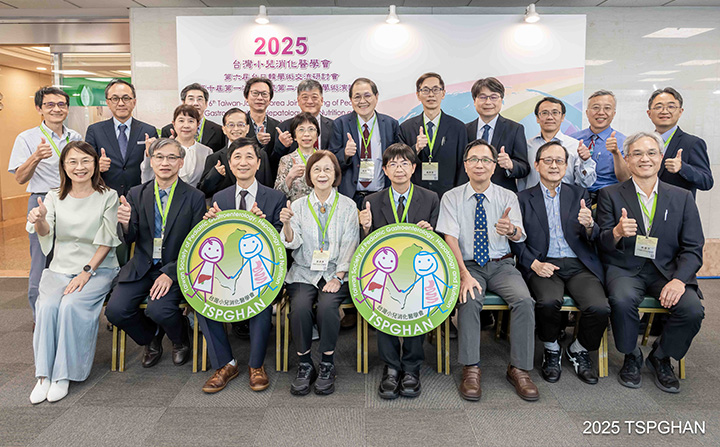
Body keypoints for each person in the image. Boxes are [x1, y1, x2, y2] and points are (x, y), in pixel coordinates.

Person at [596, 132, 704, 394]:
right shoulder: (609, 194)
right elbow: (601, 242)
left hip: (667, 271)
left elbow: (693, 248)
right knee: (622, 300)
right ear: (627, 159)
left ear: (661, 157)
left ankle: (661, 356)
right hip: (625, 268)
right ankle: (631, 355)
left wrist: (679, 281)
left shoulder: (682, 197)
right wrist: (616, 233)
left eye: (651, 153)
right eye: (637, 153)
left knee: (692, 309)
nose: (645, 158)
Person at [437, 139, 538, 402]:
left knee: (524, 301)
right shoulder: (451, 197)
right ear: (465, 165)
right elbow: (450, 239)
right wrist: (463, 274)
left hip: (502, 264)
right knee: (469, 300)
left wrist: (511, 230)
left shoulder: (508, 196)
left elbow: (519, 235)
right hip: (468, 265)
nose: (479, 164)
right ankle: (471, 368)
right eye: (473, 159)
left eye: (485, 160)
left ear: (494, 166)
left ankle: (519, 368)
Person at [27, 141, 121, 404]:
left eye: (85, 161)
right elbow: (46, 233)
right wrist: (40, 219)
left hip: (98, 268)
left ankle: (64, 374)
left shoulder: (108, 196)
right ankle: (43, 375)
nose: (80, 167)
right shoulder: (53, 196)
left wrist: (86, 272)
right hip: (60, 267)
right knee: (47, 306)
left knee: (71, 305)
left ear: (95, 164)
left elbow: (107, 240)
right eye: (73, 162)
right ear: (64, 166)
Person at [511, 141, 610, 385]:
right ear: (537, 165)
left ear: (566, 166)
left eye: (559, 161)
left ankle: (578, 349)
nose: (554, 165)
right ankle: (552, 348)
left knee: (599, 307)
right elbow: (515, 240)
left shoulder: (579, 195)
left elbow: (594, 236)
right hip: (543, 263)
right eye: (548, 160)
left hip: (578, 263)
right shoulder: (522, 198)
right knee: (547, 302)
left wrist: (590, 225)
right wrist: (533, 263)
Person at [196, 137, 286, 394]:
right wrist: (208, 225)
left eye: (249, 157)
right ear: (229, 163)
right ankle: (226, 363)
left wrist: (264, 226)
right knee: (202, 297)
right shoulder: (220, 198)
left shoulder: (275, 197)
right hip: (229, 270)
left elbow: (283, 245)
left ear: (258, 163)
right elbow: (214, 244)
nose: (243, 162)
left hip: (263, 272)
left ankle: (256, 365)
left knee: (261, 295)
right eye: (237, 157)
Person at [105, 138, 206, 368]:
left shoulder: (195, 197)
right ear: (151, 161)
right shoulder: (136, 193)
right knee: (116, 311)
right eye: (159, 157)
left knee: (159, 309)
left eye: (171, 157)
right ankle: (151, 338)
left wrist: (170, 273)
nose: (165, 163)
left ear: (181, 162)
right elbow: (129, 238)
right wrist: (125, 224)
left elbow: (196, 244)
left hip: (176, 266)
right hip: (142, 266)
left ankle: (180, 339)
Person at [358, 143, 439, 399]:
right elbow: (365, 249)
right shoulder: (371, 201)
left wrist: (430, 234)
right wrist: (365, 228)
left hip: (417, 273)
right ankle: (391, 367)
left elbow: (439, 246)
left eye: (404, 163)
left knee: (418, 304)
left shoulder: (430, 198)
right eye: (393, 164)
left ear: (414, 168)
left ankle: (412, 367)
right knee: (383, 304)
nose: (399, 169)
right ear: (384, 170)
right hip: (384, 274)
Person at [280, 150, 358, 395]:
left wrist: (339, 277)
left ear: (336, 174)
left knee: (327, 307)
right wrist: (287, 224)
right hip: (304, 271)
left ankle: (327, 364)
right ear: (309, 176)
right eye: (316, 169)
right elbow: (292, 243)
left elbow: (350, 243)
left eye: (327, 169)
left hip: (336, 271)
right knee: (300, 307)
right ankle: (305, 364)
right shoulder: (298, 206)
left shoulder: (348, 205)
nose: (322, 174)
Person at [8, 86, 82, 321]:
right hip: (42, 200)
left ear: (67, 108)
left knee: (72, 257)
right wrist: (36, 157)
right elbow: (20, 178)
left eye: (61, 104)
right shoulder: (27, 138)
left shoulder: (75, 137)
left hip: (72, 200)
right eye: (50, 105)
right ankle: (39, 317)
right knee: (42, 260)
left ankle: (66, 312)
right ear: (39, 108)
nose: (56, 109)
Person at [330, 77, 401, 208]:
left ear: (376, 96)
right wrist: (345, 154)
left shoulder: (391, 124)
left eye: (367, 95)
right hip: (350, 197)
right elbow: (331, 161)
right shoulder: (340, 124)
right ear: (351, 100)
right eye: (357, 97)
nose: (362, 101)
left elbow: (399, 158)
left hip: (382, 195)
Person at [399, 72, 468, 198]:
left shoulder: (458, 128)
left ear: (443, 93)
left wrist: (458, 196)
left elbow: (463, 166)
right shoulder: (406, 128)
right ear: (418, 95)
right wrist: (416, 149)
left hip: (448, 196)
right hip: (415, 196)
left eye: (436, 89)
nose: (431, 94)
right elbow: (399, 164)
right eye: (425, 90)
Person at [85, 79, 157, 197]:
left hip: (140, 196)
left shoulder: (148, 131)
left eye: (126, 98)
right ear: (108, 103)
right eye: (115, 99)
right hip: (105, 195)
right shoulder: (95, 131)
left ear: (134, 102)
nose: (121, 103)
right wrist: (97, 166)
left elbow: (156, 166)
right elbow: (85, 165)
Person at [464, 77, 529, 192]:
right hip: (469, 193)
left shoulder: (515, 129)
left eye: (493, 97)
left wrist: (510, 164)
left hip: (503, 194)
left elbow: (524, 168)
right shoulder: (464, 130)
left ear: (501, 100)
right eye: (482, 97)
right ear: (474, 101)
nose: (488, 102)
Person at [646, 87, 713, 197]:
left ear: (680, 112)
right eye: (658, 107)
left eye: (671, 107)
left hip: (677, 206)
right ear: (649, 113)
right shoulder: (644, 143)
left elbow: (707, 182)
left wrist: (683, 168)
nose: (664, 111)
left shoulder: (692, 143)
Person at [518, 97, 596, 191]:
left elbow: (586, 183)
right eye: (544, 113)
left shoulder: (575, 146)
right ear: (537, 118)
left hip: (565, 199)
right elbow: (520, 180)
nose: (550, 117)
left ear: (562, 117)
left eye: (555, 113)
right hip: (530, 199)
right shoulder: (526, 146)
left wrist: (585, 161)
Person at [571, 90, 630, 204]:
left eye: (607, 108)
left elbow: (625, 179)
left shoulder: (624, 142)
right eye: (596, 108)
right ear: (587, 112)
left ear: (614, 113)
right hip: (576, 198)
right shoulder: (573, 140)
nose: (601, 112)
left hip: (609, 199)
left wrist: (616, 153)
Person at [198, 107, 272, 197]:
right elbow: (204, 192)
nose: (236, 129)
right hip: (225, 205)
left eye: (240, 124)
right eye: (231, 125)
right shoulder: (214, 158)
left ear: (247, 128)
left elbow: (268, 187)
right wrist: (215, 175)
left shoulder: (261, 154)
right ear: (224, 129)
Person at [143, 105, 212, 188]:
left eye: (191, 121)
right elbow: (147, 179)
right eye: (181, 121)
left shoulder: (207, 152)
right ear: (174, 124)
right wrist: (149, 153)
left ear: (197, 124)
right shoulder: (162, 149)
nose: (186, 125)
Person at [273, 80, 334, 162]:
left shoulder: (333, 126)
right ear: (298, 101)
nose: (310, 101)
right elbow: (274, 162)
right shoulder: (284, 127)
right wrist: (282, 146)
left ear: (322, 100)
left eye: (314, 97)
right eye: (305, 97)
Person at [161, 83, 224, 152]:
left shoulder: (219, 131)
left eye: (199, 99)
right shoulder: (167, 130)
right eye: (191, 99)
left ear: (206, 104)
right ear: (183, 102)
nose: (195, 103)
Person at [274, 112, 319, 201]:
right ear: (294, 136)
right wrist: (290, 177)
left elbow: (333, 188)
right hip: (295, 208)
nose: (306, 134)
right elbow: (277, 195)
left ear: (317, 135)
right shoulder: (286, 160)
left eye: (311, 129)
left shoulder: (324, 158)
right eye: (301, 130)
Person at [243, 77, 281, 175]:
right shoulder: (239, 125)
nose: (260, 98)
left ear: (269, 99)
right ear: (246, 97)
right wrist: (256, 140)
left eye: (264, 94)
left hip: (270, 178)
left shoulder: (278, 126)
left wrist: (283, 146)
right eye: (255, 93)